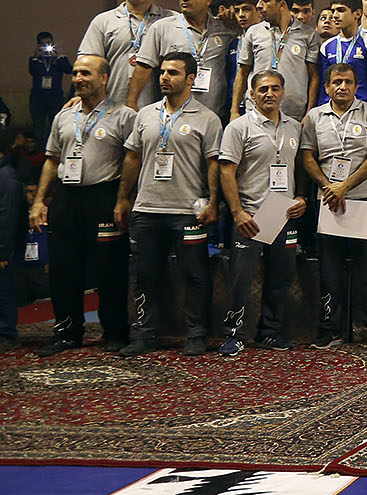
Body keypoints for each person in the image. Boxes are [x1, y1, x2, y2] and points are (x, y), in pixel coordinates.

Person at [116, 51, 223, 357]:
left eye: (173, 73)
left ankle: (196, 333)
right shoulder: (145, 115)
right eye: (162, 72)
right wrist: (123, 198)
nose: (164, 77)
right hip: (147, 209)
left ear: (190, 79)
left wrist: (213, 202)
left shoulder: (207, 118)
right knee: (145, 275)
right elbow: (132, 158)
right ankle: (143, 334)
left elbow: (213, 164)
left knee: (195, 276)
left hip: (187, 211)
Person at [30, 54, 138, 355]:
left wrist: (124, 199)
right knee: (63, 267)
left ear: (104, 78)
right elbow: (52, 160)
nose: (78, 78)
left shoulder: (124, 116)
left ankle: (115, 331)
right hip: (67, 197)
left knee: (110, 268)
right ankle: (67, 332)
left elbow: (133, 161)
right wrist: (39, 201)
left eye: (86, 73)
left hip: (104, 197)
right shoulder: (64, 116)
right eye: (76, 73)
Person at [301, 62, 367, 347]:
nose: (342, 87)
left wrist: (345, 186)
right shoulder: (315, 117)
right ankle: (331, 330)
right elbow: (308, 157)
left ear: (356, 86)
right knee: (330, 270)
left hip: (364, 201)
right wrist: (328, 187)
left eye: (348, 82)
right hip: (328, 202)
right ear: (327, 87)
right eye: (336, 82)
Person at [219, 69, 307, 354]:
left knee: (281, 277)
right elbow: (226, 172)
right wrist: (237, 213)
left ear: (283, 93)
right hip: (250, 215)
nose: (269, 93)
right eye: (263, 89)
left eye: (275, 88)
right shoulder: (239, 127)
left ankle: (270, 332)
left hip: (284, 214)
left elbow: (300, 167)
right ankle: (234, 333)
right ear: (252, 94)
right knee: (241, 280)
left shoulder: (294, 127)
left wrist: (301, 196)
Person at [130, 0, 233, 119]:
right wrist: (132, 101)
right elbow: (143, 67)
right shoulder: (162, 27)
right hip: (172, 114)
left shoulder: (224, 29)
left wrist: (234, 20)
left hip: (213, 114)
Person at [234, 0, 318, 122]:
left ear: (282, 5)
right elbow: (242, 73)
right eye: (259, 0)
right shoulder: (253, 32)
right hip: (256, 113)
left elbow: (314, 76)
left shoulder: (308, 35)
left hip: (294, 114)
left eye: (265, 0)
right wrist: (234, 111)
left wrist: (309, 112)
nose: (259, 5)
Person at [317, 0, 367, 107]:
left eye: (341, 10)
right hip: (334, 109)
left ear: (357, 14)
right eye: (333, 11)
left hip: (362, 108)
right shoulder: (327, 46)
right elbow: (324, 86)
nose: (335, 15)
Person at [0, 135, 23, 352]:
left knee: (3, 290)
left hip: (3, 246)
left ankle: (7, 334)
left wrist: (3, 252)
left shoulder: (7, 177)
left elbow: (8, 217)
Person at [28, 33, 71, 144]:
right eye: (43, 44)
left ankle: (55, 148)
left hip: (55, 98)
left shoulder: (59, 59)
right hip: (38, 99)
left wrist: (58, 57)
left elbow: (69, 70)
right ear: (38, 45)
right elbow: (33, 71)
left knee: (55, 125)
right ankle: (39, 150)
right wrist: (35, 56)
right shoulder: (35, 59)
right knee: (38, 127)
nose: (47, 47)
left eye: (49, 43)